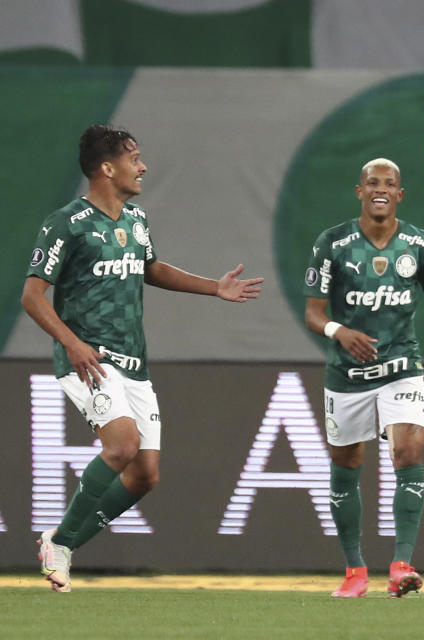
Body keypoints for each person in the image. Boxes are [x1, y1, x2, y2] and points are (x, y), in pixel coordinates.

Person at [23, 125, 264, 593]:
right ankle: (61, 545)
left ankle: (62, 540)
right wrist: (71, 343)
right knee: (121, 445)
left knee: (145, 475)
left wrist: (214, 287)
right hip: (91, 359)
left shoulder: (135, 219)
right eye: (134, 157)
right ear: (107, 168)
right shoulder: (66, 223)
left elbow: (151, 268)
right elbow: (32, 296)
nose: (144, 166)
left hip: (134, 363)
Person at [304, 158, 424, 598]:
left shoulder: (419, 245)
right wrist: (340, 331)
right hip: (346, 374)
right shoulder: (332, 244)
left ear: (401, 195)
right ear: (360, 191)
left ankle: (402, 565)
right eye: (373, 183)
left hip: (400, 366)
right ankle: (355, 572)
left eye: (390, 183)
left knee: (408, 450)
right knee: (346, 465)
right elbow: (314, 314)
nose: (381, 189)